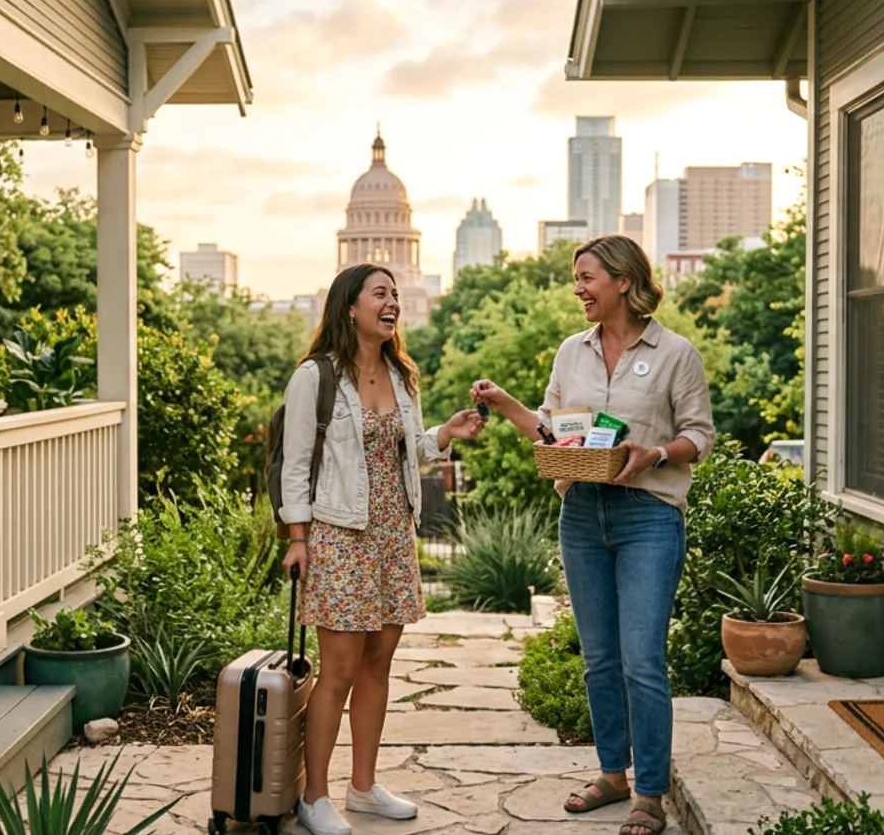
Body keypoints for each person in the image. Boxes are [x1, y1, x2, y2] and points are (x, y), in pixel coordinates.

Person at [470, 235, 714, 835]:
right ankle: (612, 775)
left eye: (587, 278)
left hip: (648, 516)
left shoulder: (675, 353)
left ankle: (650, 794)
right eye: (576, 278)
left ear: (623, 282)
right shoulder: (570, 352)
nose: (577, 288)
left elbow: (699, 436)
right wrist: (505, 403)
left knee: (642, 660)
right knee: (599, 659)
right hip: (581, 512)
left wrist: (655, 453)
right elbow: (553, 432)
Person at [280, 263, 484, 835]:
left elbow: (406, 448)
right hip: (340, 535)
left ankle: (364, 787)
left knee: (378, 665)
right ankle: (315, 797)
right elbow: (296, 465)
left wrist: (444, 434)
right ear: (350, 307)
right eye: (380, 294)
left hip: (394, 533)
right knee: (339, 670)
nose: (392, 302)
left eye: (395, 294)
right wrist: (297, 538)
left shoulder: (401, 374)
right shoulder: (315, 377)